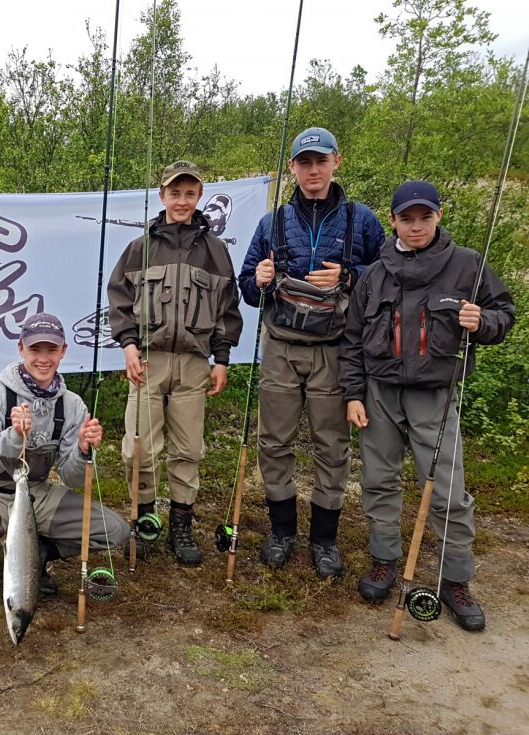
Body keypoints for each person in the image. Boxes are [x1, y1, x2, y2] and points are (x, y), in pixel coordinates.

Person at [340, 180, 515, 631]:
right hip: (379, 393)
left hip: (435, 394)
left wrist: (485, 321)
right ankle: (383, 560)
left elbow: (505, 315)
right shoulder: (374, 273)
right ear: (393, 221)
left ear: (438, 217)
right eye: (406, 218)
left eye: (425, 217)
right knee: (378, 481)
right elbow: (352, 340)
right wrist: (354, 394)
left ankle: (454, 578)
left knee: (447, 491)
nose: (416, 226)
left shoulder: (467, 265)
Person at [238, 127, 385, 579]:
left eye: (321, 160)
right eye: (305, 162)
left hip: (335, 349)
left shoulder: (363, 221)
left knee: (332, 446)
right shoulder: (272, 224)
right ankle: (282, 531)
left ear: (337, 161)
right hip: (281, 347)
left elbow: (386, 278)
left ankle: (324, 539)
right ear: (293, 169)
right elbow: (246, 289)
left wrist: (350, 276)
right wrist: (259, 279)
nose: (313, 169)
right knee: (274, 442)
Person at [107, 160, 243, 566]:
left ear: (198, 196)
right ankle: (145, 518)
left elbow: (228, 310)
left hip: (195, 364)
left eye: (189, 193)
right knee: (138, 450)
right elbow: (119, 300)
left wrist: (221, 359)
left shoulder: (216, 251)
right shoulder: (140, 246)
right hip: (148, 361)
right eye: (174, 193)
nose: (182, 201)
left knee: (188, 450)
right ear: (162, 195)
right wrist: (129, 346)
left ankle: (181, 523)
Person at [0, 312, 129, 611]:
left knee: (114, 531)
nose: (43, 359)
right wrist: (14, 436)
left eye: (51, 350)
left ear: (63, 352)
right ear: (21, 349)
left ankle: (35, 554)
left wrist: (83, 449)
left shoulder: (72, 406)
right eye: (35, 350)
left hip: (35, 495)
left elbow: (72, 479)